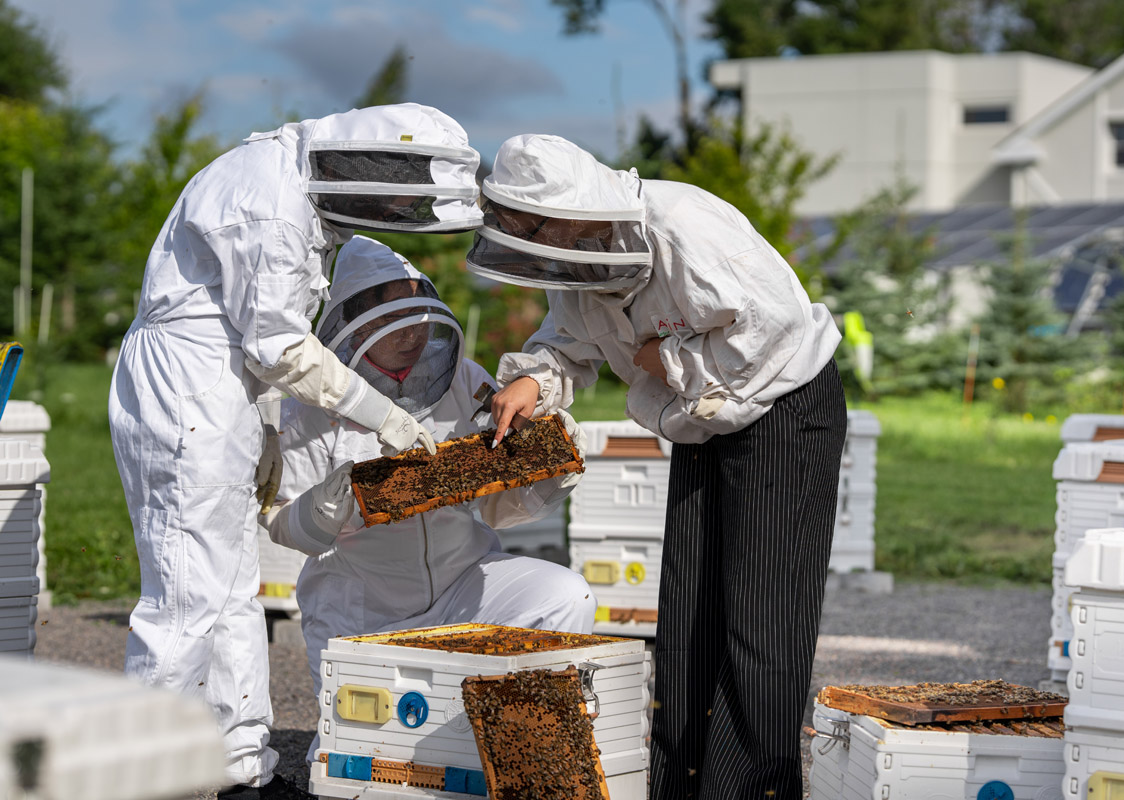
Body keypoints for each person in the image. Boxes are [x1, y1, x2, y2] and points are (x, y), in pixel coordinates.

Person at [107, 104, 483, 799]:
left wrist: (263, 423)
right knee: (189, 595)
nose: (402, 207)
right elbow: (277, 344)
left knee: (232, 591)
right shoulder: (272, 203)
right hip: (189, 391)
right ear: (374, 164)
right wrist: (389, 419)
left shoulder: (293, 187)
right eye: (403, 193)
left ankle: (238, 763)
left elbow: (250, 329)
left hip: (220, 391)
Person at [465, 134, 847, 800]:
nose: (538, 242)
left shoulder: (683, 225)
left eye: (539, 227)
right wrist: (533, 382)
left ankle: (752, 791)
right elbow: (570, 337)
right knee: (689, 614)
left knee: (760, 622)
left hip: (786, 406)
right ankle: (684, 788)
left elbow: (771, 328)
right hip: (702, 419)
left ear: (574, 208)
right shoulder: (578, 253)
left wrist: (660, 361)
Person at [262, 236, 595, 756]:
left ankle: (517, 746)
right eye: (397, 313)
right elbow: (280, 521)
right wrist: (324, 509)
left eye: (420, 310)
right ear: (360, 322)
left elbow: (492, 505)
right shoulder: (307, 412)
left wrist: (548, 476)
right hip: (360, 607)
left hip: (464, 585)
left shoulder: (463, 380)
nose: (415, 330)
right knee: (350, 764)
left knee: (563, 597)